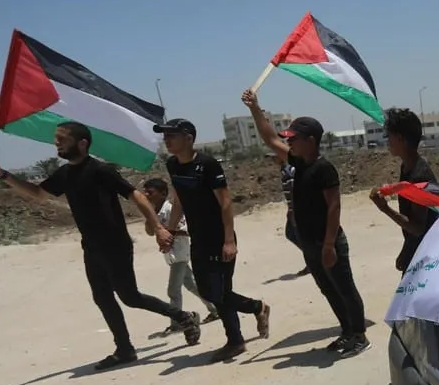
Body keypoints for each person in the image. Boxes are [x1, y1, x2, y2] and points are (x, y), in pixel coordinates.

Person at [0, 121, 201, 369]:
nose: (56, 143)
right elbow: (39, 194)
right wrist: (2, 174)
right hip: (92, 247)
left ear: (82, 143)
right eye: (56, 139)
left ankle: (183, 317)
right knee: (102, 297)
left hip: (115, 244)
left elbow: (135, 195)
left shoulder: (100, 170)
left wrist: (158, 227)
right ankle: (124, 349)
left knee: (129, 297)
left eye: (62, 139)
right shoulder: (65, 173)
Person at [241, 89, 369, 357]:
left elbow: (334, 207)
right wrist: (255, 108)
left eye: (294, 138)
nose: (289, 143)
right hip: (309, 241)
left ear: (310, 141)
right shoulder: (298, 162)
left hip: (327, 242)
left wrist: (329, 245)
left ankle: (359, 336)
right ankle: (346, 331)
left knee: (345, 289)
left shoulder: (324, 168)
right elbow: (269, 138)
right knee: (328, 289)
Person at [154, 118, 270, 363]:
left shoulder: (207, 164)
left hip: (219, 237)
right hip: (198, 238)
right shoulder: (172, 164)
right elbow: (178, 200)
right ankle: (257, 307)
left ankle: (235, 340)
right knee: (209, 290)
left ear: (188, 138)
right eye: (165, 135)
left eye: (172, 135)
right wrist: (170, 231)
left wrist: (229, 240)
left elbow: (225, 202)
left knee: (220, 292)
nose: (167, 139)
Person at [368, 108, 439, 273]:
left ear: (400, 139)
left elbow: (418, 228)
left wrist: (385, 209)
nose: (387, 142)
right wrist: (406, 250)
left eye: (389, 137)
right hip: (419, 252)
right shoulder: (407, 167)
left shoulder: (419, 176)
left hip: (427, 258)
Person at [140, 177, 218, 334]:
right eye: (145, 192)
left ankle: (177, 322)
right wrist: (150, 218)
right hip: (171, 255)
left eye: (150, 192)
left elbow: (186, 229)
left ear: (163, 193)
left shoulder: (170, 209)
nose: (147, 195)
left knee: (173, 290)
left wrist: (168, 233)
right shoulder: (154, 212)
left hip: (179, 253)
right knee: (191, 285)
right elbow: (150, 232)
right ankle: (216, 309)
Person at [277, 151, 310, 276]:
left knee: (297, 235)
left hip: (297, 210)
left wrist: (293, 210)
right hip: (295, 209)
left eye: (274, 157)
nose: (272, 160)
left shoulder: (288, 171)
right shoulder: (285, 170)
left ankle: (313, 260)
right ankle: (312, 259)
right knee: (292, 234)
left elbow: (294, 190)